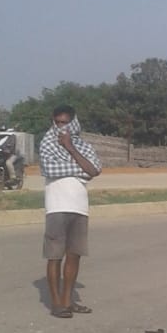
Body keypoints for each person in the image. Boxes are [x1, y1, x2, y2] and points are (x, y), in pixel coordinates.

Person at [38, 105, 102, 318]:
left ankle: (68, 301)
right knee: (55, 256)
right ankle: (56, 304)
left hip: (79, 207)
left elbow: (95, 170)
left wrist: (71, 149)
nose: (61, 127)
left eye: (65, 122)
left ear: (73, 122)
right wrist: (80, 170)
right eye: (57, 122)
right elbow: (49, 169)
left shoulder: (81, 145)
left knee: (74, 255)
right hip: (57, 207)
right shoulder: (47, 142)